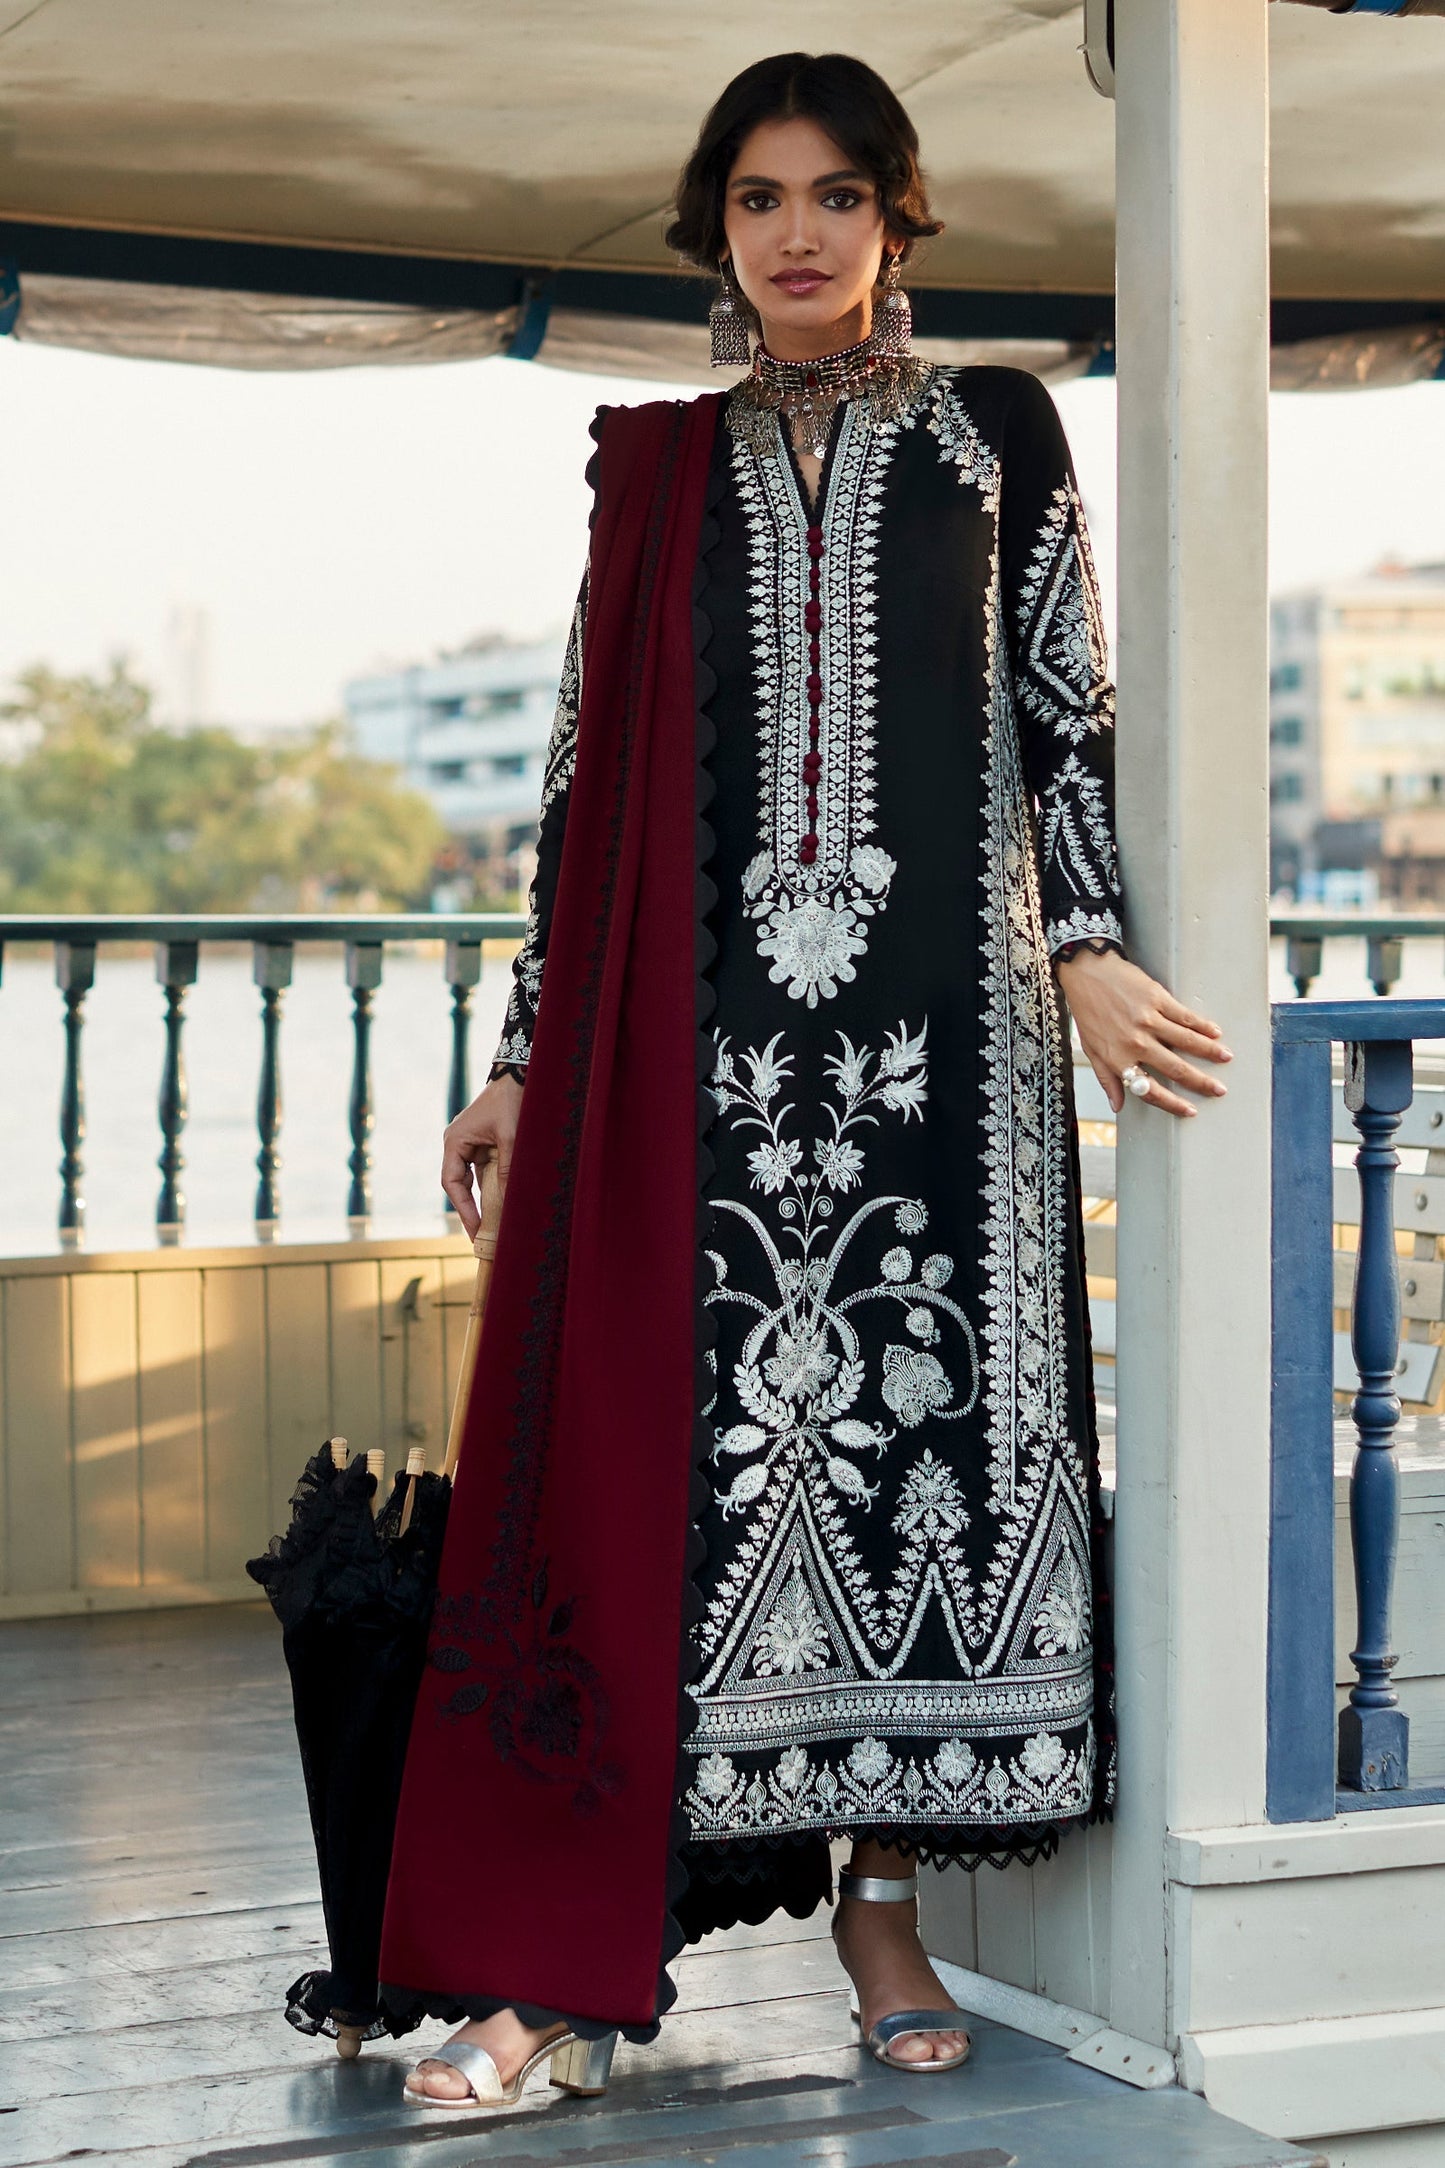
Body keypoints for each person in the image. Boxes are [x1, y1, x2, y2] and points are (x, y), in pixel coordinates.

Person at [385, 50, 1231, 2111]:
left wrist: (1087, 943)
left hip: (951, 1040)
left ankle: (883, 1912)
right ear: (717, 230)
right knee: (672, 1467)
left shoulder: (994, 431)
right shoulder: (661, 474)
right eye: (759, 199)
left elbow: (1064, 710)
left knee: (911, 1444)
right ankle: (580, 1958)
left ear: (895, 218)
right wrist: (522, 1056)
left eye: (836, 195)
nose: (797, 234)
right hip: (691, 1045)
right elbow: (584, 783)